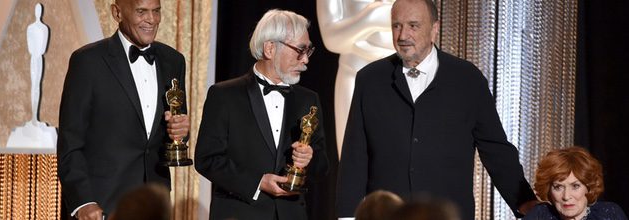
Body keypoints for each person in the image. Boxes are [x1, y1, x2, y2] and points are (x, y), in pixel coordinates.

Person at [336, 0, 538, 219]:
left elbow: (496, 150)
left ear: (434, 29)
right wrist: (347, 216)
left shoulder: (467, 79)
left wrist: (526, 204)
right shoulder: (370, 79)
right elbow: (354, 157)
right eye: (397, 25)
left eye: (413, 26)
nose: (403, 35)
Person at [57, 0, 190, 219]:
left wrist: (181, 134)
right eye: (141, 12)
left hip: (154, 205)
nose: (151, 19)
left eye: (156, 12)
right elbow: (70, 143)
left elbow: (172, 134)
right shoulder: (88, 61)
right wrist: (83, 202)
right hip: (103, 205)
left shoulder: (173, 61)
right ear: (117, 12)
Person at [194, 9, 328, 220]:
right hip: (239, 213)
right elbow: (206, 159)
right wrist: (257, 182)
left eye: (308, 51)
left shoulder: (308, 100)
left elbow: (322, 168)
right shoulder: (224, 95)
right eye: (299, 50)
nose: (305, 61)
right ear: (270, 48)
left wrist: (309, 158)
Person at [317, 0, 395, 157]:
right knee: (352, 156)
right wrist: (370, 19)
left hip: (399, 73)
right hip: (353, 73)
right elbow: (332, 39)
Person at [523, 147, 628, 220]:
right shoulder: (540, 215)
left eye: (575, 186)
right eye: (558, 187)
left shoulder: (609, 213)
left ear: (589, 187)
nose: (566, 196)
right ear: (549, 190)